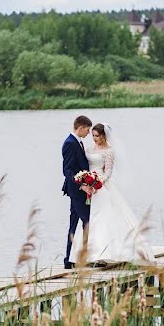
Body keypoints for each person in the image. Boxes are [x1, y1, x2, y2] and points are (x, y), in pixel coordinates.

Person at [68, 123, 154, 266]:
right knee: (89, 220)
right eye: (93, 135)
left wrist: (97, 182)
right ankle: (87, 255)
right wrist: (85, 179)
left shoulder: (109, 151)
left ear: (104, 136)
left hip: (101, 186)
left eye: (97, 136)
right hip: (89, 188)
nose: (94, 138)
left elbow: (108, 172)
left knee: (101, 219)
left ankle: (102, 255)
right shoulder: (89, 148)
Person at [61, 115, 93, 269]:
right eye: (87, 130)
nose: (88, 133)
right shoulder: (69, 143)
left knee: (74, 224)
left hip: (79, 190)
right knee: (87, 222)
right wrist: (81, 186)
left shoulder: (77, 142)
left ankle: (69, 260)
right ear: (80, 128)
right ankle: (85, 258)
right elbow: (67, 170)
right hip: (76, 191)